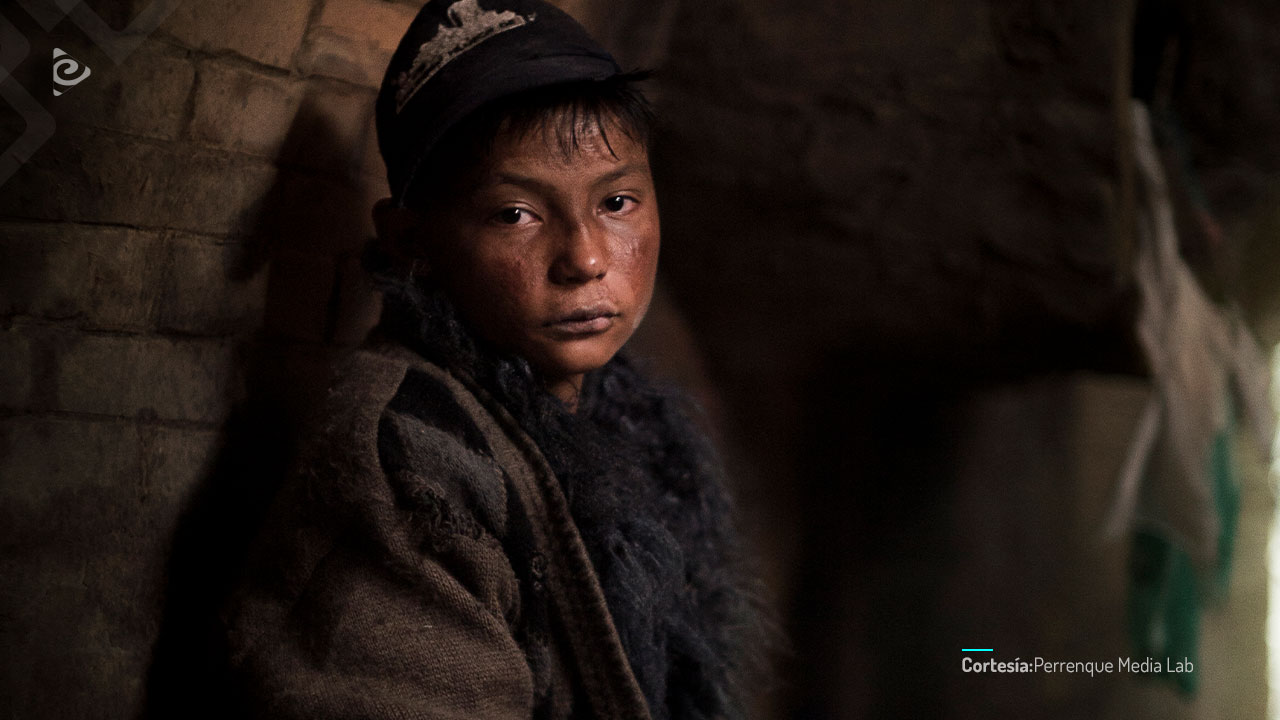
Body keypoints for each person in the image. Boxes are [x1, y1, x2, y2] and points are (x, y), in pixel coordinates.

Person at [212, 1, 762, 718]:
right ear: (412, 243)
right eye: (515, 214)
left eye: (618, 201)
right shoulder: (411, 474)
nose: (587, 258)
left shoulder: (626, 419)